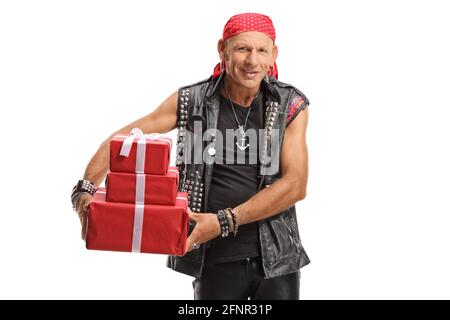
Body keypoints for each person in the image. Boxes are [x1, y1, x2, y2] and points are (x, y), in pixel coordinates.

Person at [71, 12, 310, 300]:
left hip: (277, 260)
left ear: (274, 54)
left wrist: (224, 221)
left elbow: (295, 184)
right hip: (212, 257)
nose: (252, 61)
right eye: (242, 49)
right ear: (222, 50)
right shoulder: (191, 100)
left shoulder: (289, 104)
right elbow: (125, 139)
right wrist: (85, 188)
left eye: (261, 50)